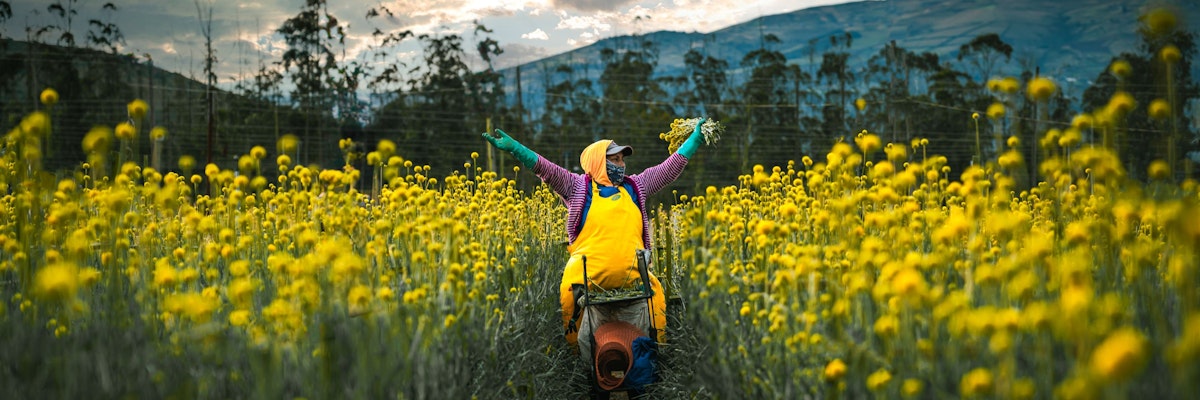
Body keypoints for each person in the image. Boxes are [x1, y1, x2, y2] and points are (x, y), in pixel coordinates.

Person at [482, 119, 707, 346]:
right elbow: (545, 169)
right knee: (582, 330)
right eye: (614, 159)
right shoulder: (577, 187)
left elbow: (668, 170)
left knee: (648, 324)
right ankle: (580, 365)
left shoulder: (635, 186)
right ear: (598, 161)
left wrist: (694, 140)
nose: (621, 165)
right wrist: (515, 149)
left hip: (633, 280)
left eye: (622, 160)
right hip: (588, 281)